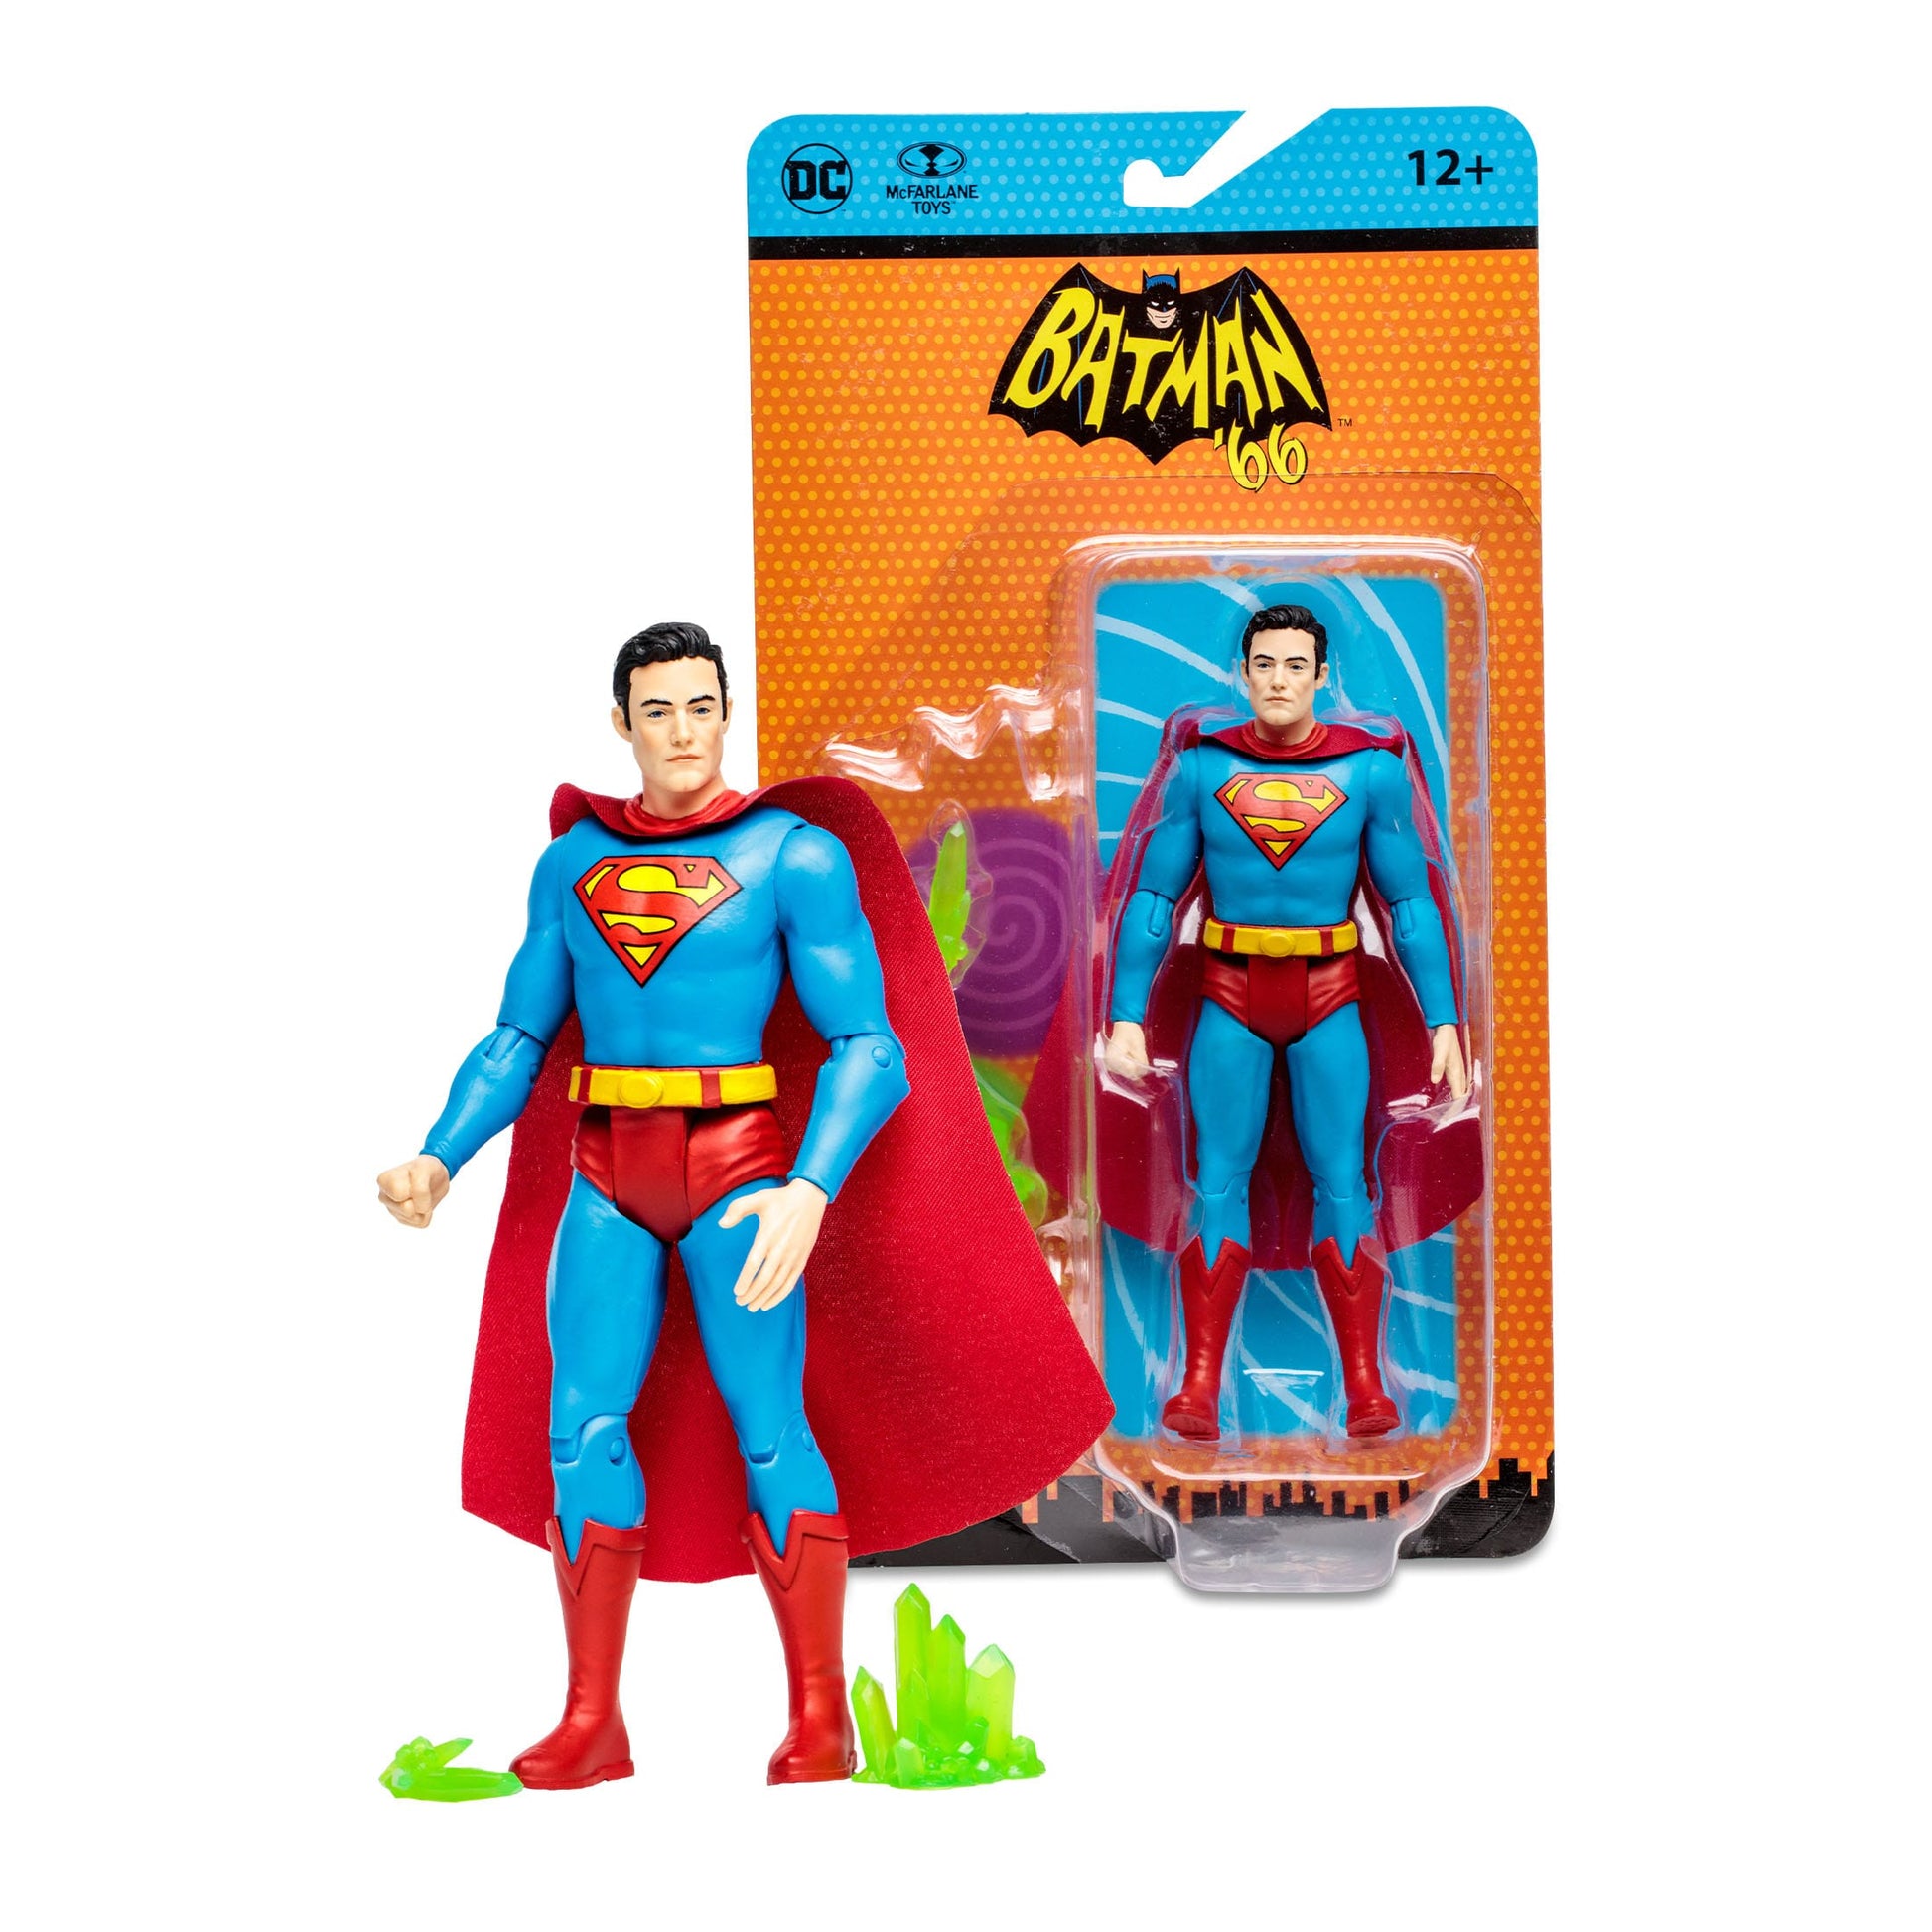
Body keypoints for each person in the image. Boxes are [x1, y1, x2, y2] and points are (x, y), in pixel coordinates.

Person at [377, 621, 1110, 1787]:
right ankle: (591, 1717)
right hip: (606, 1170)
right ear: (621, 722)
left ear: (726, 711)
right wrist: (439, 1152)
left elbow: (870, 1045)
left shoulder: (790, 856)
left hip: (737, 1168)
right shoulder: (572, 864)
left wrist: (809, 1188)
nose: (682, 730)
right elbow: (518, 1034)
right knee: (581, 1428)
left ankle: (820, 1714)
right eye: (657, 709)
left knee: (770, 1422)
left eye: (700, 705)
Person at [1104, 603, 1470, 1442]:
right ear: (1243, 672)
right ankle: (1198, 1386)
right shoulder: (1201, 768)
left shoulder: (1370, 772)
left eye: (1295, 666)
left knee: (1344, 1179)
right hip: (1228, 992)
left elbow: (1411, 905)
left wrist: (1445, 1020)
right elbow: (1154, 897)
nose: (1278, 681)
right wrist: (1126, 1014)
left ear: (1322, 675)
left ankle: (1368, 1387)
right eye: (1264, 664)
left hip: (1330, 990)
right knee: (1217, 1180)